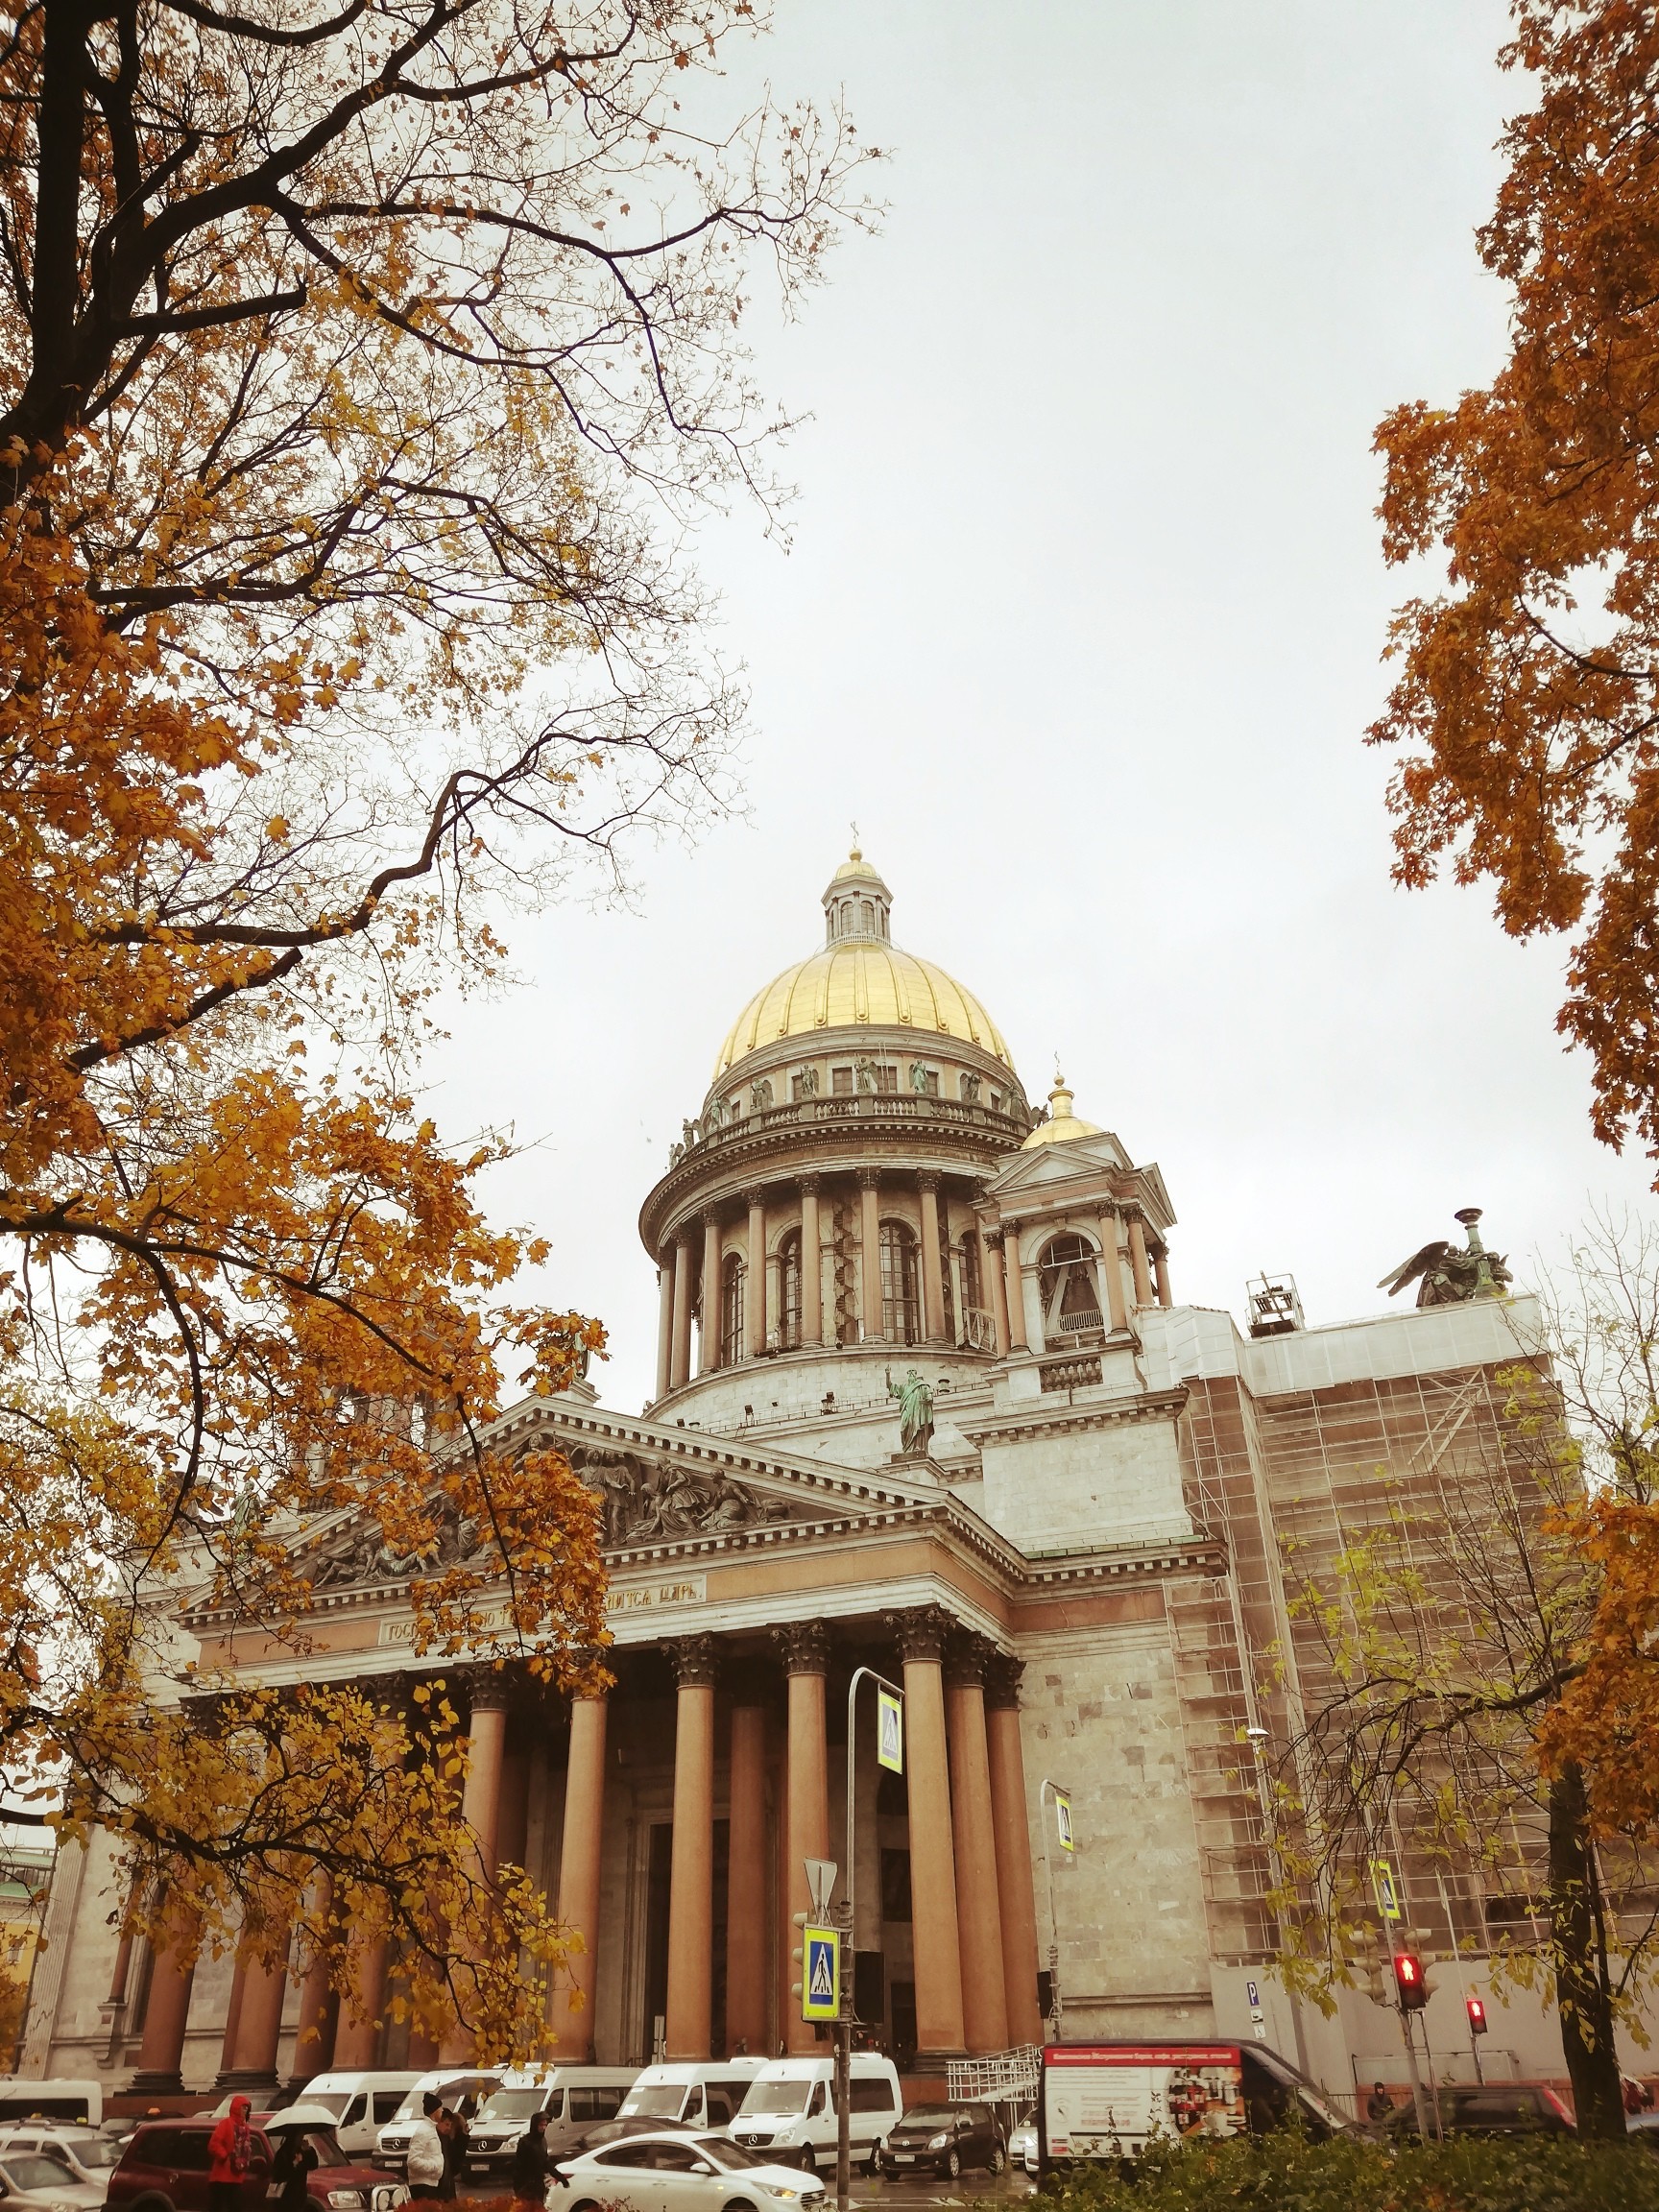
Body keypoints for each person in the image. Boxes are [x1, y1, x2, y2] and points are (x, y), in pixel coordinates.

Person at [207, 2095, 254, 2212]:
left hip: (237, 2176)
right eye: (243, 2108)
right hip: (222, 2178)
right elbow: (214, 2144)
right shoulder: (226, 2124)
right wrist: (225, 2157)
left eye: (247, 2108)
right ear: (236, 2108)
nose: (245, 2110)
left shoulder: (245, 2128)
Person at [405, 2094, 446, 2206]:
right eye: (440, 2108)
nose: (442, 2110)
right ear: (434, 2111)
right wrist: (434, 2166)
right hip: (422, 2186)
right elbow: (412, 2161)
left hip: (430, 2184)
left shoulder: (430, 2129)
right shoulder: (423, 2131)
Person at [510, 2111, 550, 2212]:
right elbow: (519, 2164)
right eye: (541, 2125)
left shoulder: (543, 2141)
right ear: (535, 2125)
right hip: (525, 2185)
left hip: (539, 2185)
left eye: (545, 2125)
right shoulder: (525, 2142)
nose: (543, 2128)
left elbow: (545, 2161)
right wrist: (521, 2186)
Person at [270, 2132, 319, 2212]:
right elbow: (280, 2174)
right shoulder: (283, 2153)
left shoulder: (301, 2151)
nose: (301, 2139)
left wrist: (309, 2150)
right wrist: (294, 2163)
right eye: (299, 2137)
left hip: (299, 2194)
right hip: (286, 2195)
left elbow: (313, 2165)